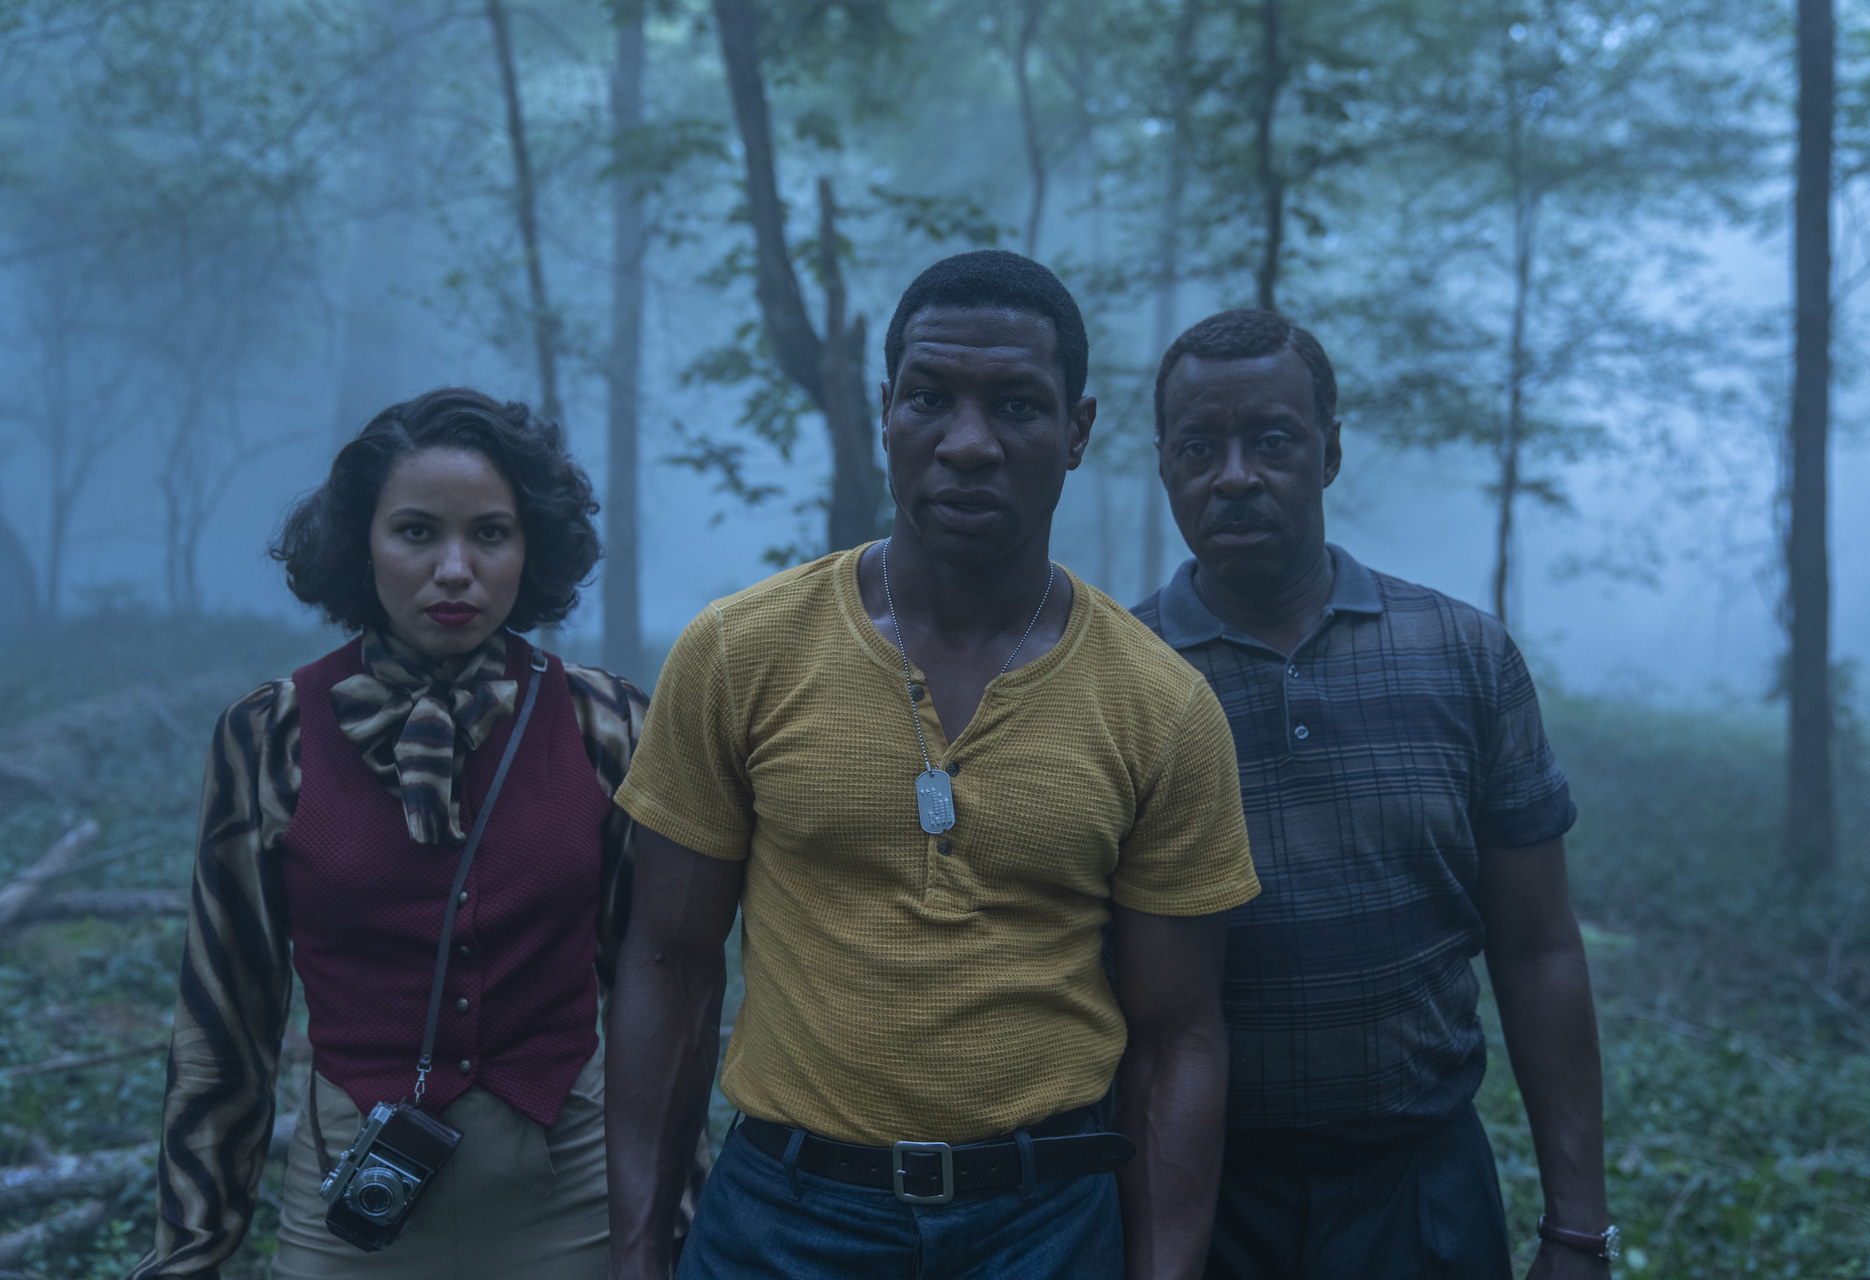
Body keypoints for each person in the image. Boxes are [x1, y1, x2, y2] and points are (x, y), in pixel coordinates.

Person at [604, 250, 1261, 1280]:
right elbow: (667, 961)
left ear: (1077, 432)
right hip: (782, 1217)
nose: (967, 443)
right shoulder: (740, 653)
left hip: (1043, 1222)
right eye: (930, 399)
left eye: (1015, 405)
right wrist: (638, 1248)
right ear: (884, 411)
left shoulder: (1159, 703)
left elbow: (1179, 1034)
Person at [130, 389, 670, 1279]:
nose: (454, 569)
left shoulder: (604, 724)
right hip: (351, 1203)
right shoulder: (272, 735)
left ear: (530, 545)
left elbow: (653, 994)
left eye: (489, 534)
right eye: (417, 532)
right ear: (361, 545)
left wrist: (662, 1226)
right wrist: (192, 1249)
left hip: (570, 1196)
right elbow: (227, 1016)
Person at [1132, 310, 1615, 1280]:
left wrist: (1577, 1226)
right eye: (1200, 446)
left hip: (1421, 1185)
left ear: (1330, 451)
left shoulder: (1463, 655)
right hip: (1195, 1190)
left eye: (1271, 440)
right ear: (1165, 466)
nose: (1234, 474)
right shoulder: (1116, 675)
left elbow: (1539, 946)